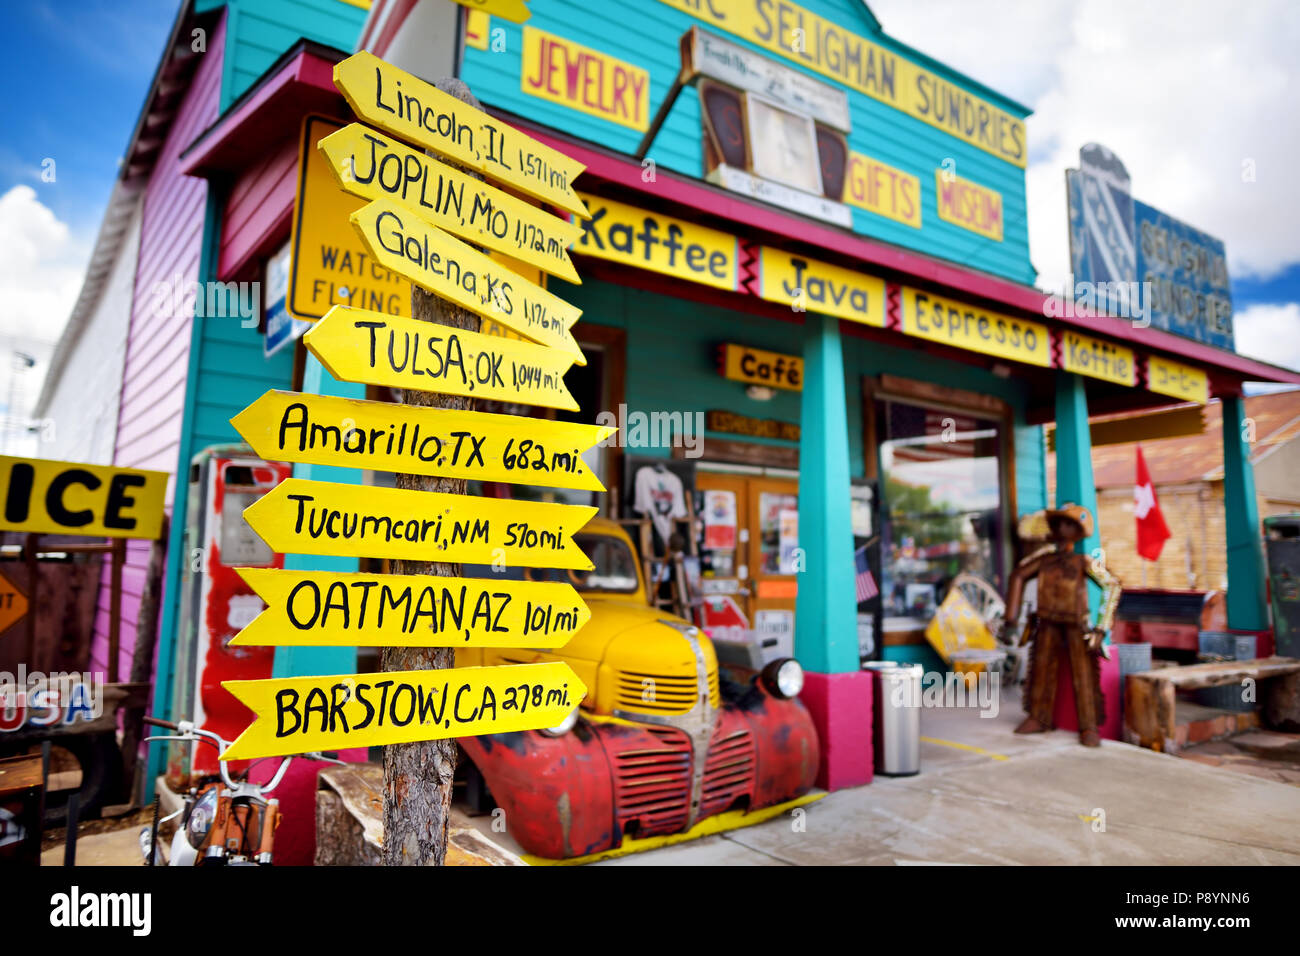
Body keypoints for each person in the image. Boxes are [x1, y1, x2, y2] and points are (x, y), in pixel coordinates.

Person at [1001, 503, 1120, 747]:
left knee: (1083, 673)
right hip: (1046, 620)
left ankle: (1088, 725)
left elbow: (1111, 585)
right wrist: (1010, 617)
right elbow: (1018, 575)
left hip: (1076, 622)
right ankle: (1039, 716)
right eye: (1057, 523)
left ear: (1078, 530)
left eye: (1067, 524)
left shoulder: (1084, 561)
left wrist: (1101, 627)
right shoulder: (1044, 560)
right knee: (1041, 667)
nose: (1060, 529)